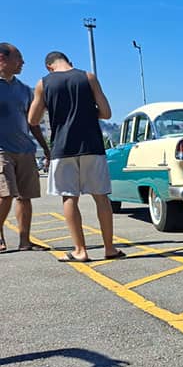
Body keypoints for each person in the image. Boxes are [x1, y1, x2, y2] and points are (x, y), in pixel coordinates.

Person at [27, 51, 124, 262]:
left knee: (69, 197)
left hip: (63, 148)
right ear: (69, 62)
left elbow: (33, 119)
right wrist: (87, 112)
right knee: (101, 197)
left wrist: (52, 108)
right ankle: (109, 248)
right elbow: (106, 113)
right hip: (92, 146)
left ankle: (80, 250)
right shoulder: (88, 77)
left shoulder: (43, 83)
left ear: (49, 67)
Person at [0, 42, 51, 252]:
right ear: (2, 59)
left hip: (25, 150)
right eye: (18, 57)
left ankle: (25, 241)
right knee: (5, 194)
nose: (23, 62)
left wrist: (45, 148)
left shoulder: (24, 90)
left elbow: (33, 123)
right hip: (1, 150)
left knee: (25, 196)